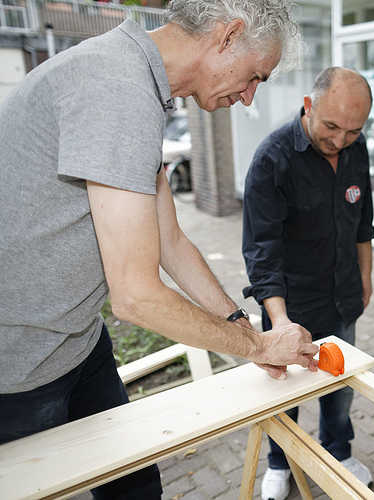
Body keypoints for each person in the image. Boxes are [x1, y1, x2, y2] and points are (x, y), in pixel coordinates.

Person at [0, 1, 319, 498]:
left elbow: (170, 241)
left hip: (78, 342)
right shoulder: (117, 89)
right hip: (19, 361)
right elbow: (136, 297)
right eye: (256, 75)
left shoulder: (138, 81)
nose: (251, 95)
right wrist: (258, 347)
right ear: (228, 36)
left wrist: (243, 329)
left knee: (135, 488)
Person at [242, 66, 374, 500]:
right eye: (331, 126)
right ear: (308, 105)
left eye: (352, 131)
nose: (340, 141)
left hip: (342, 298)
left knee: (339, 388)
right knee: (286, 393)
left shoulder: (359, 151)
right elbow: (262, 251)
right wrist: (278, 322)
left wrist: (366, 279)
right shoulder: (272, 160)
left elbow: (363, 225)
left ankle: (338, 452)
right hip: (290, 306)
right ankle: (281, 464)